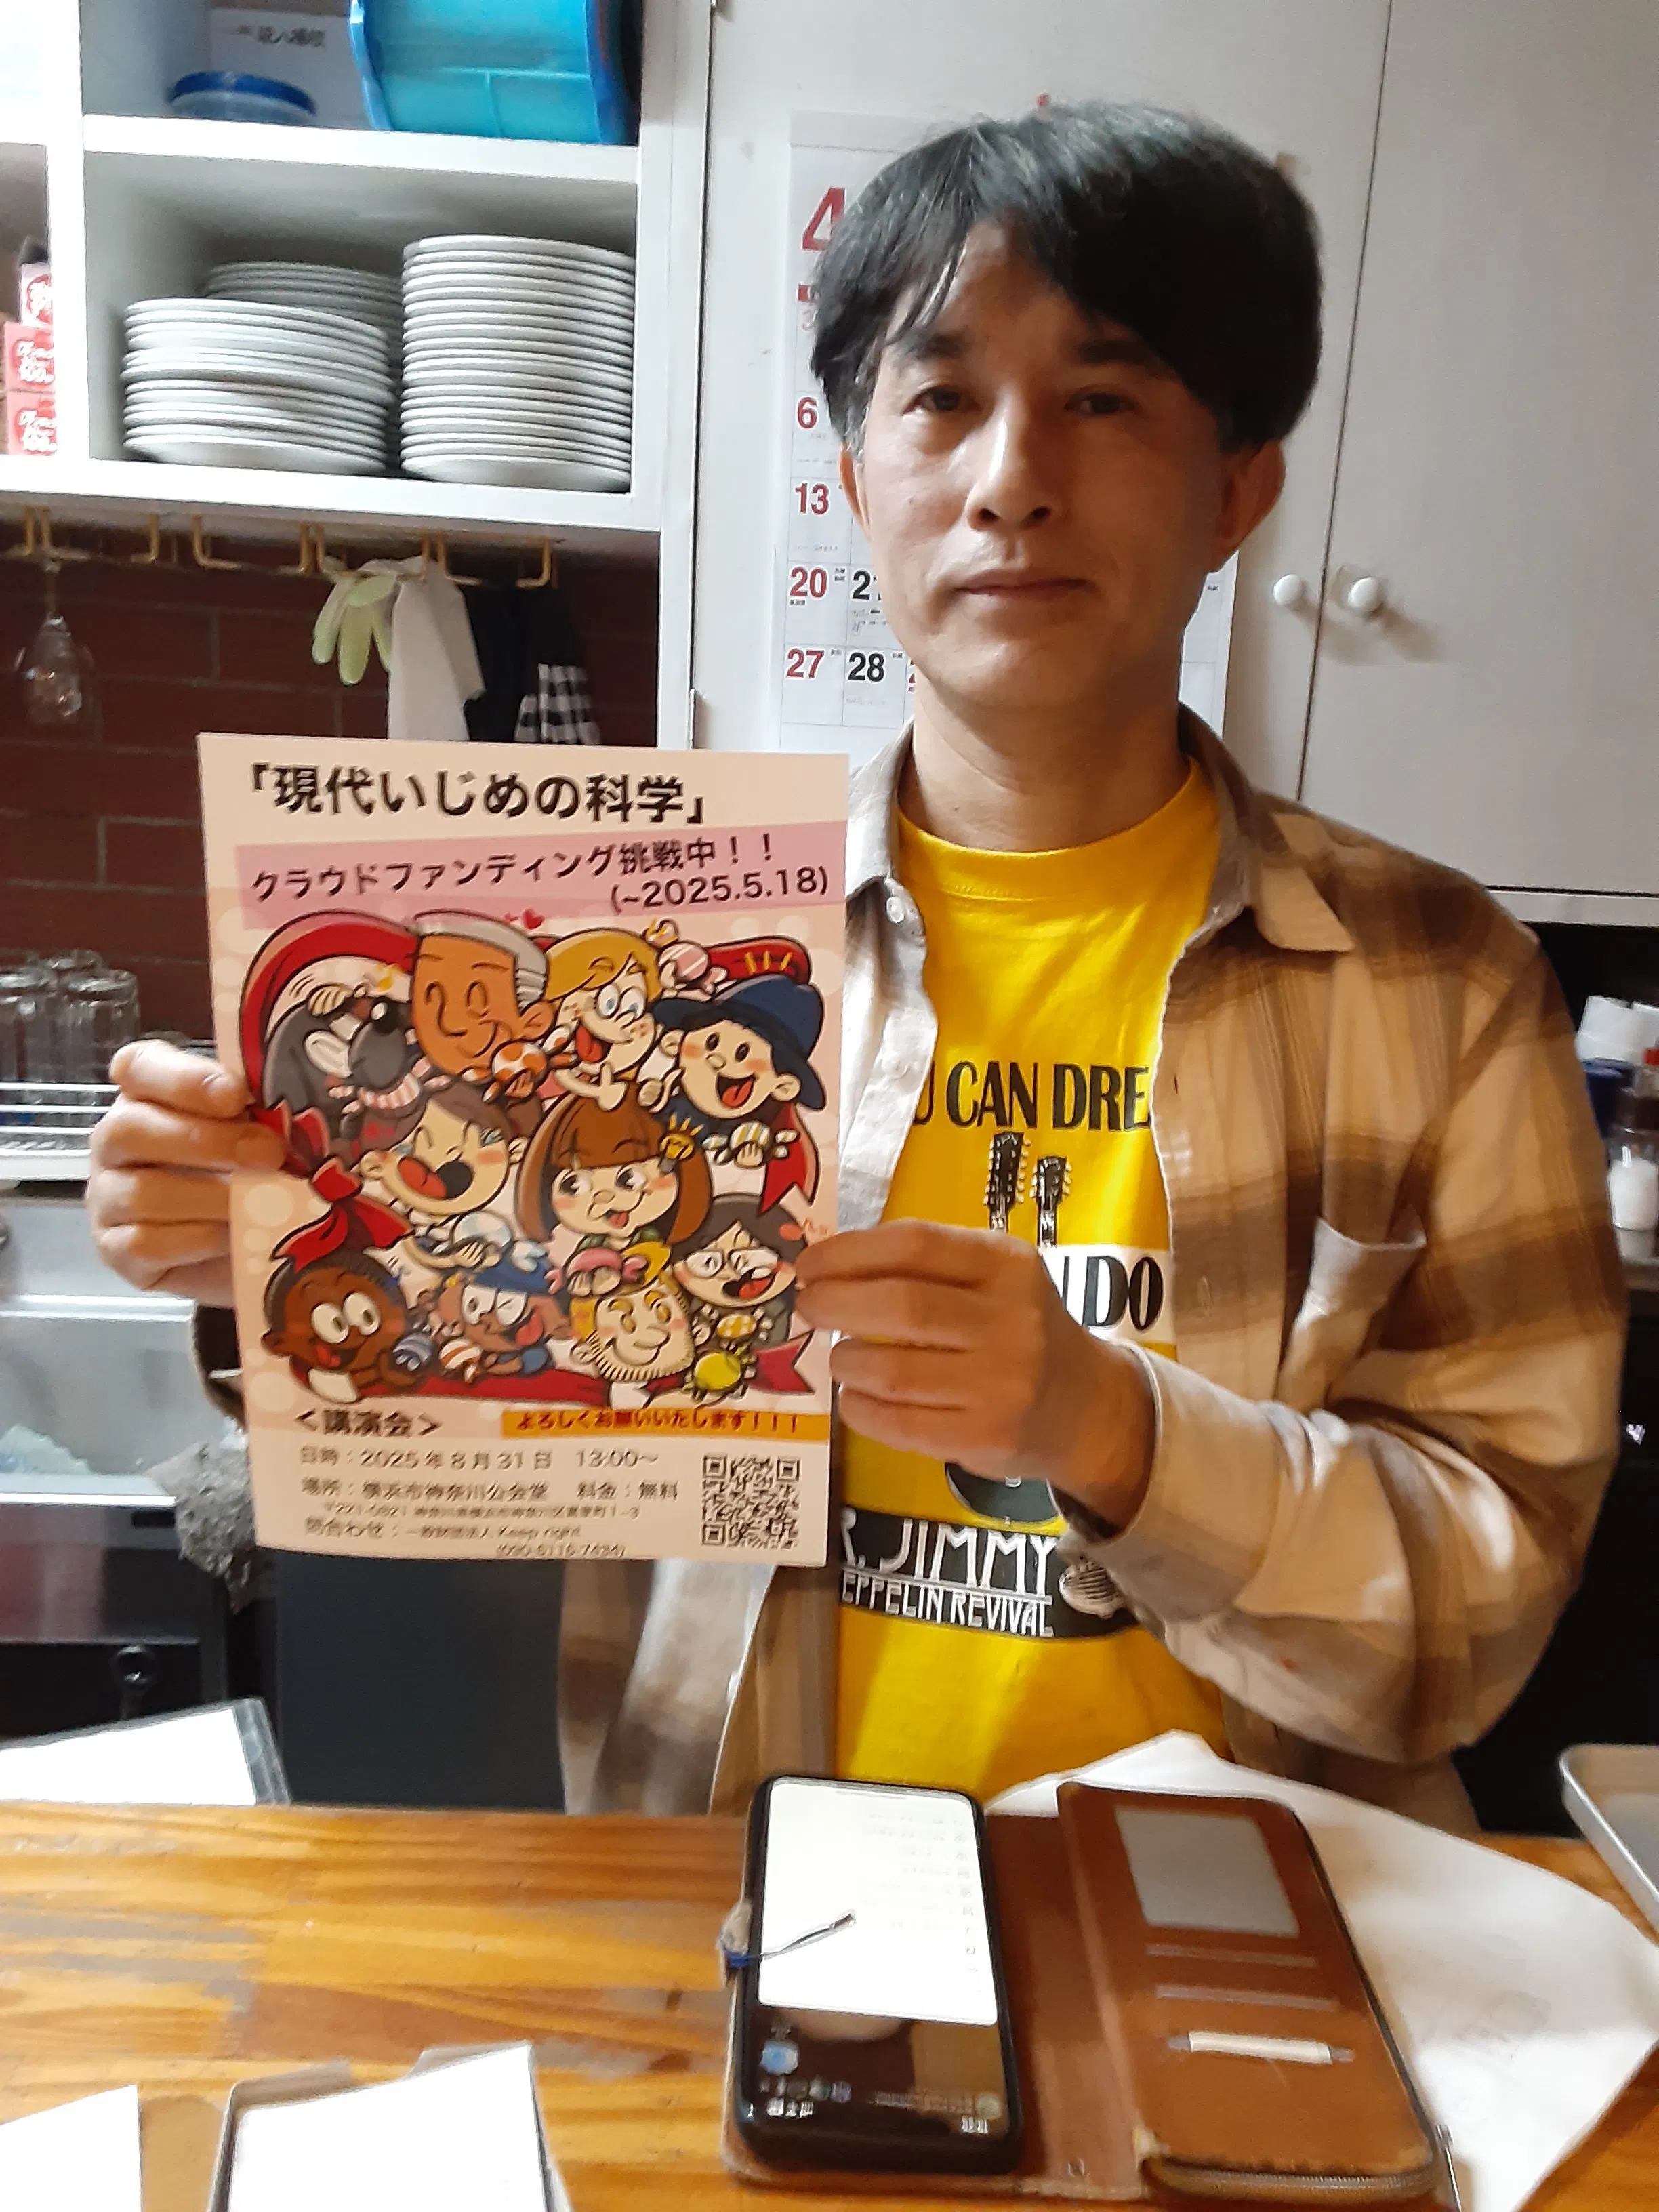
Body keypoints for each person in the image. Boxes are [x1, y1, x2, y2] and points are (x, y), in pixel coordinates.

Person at [87, 102, 1621, 1826]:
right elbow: (513, 1414)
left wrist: (1110, 1427)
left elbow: (1480, 1618)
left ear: (1238, 491)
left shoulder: (1440, 986)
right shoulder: (654, 944)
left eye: (1104, 400)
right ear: (854, 480)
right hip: (739, 1882)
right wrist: (282, 1238)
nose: (1012, 479)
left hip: (1245, 1903)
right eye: (942, 400)